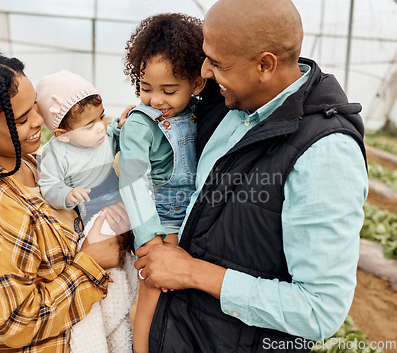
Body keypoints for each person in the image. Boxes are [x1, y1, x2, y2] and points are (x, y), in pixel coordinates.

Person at [134, 1, 369, 352]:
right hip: (182, 331)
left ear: (265, 64)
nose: (205, 72)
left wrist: (192, 272)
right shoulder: (231, 101)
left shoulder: (324, 153)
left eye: (216, 63)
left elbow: (320, 310)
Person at [0, 46, 130, 353]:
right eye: (20, 119)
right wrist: (90, 262)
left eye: (35, 106)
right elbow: (17, 323)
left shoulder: (30, 164)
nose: (38, 121)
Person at [119, 13, 207, 353]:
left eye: (169, 90)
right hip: (160, 221)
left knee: (181, 298)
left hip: (190, 219)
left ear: (196, 84)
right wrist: (149, 239)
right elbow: (133, 181)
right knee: (151, 294)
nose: (156, 99)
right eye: (146, 88)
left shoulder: (199, 111)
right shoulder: (141, 124)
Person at [36, 69, 137, 353]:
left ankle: (119, 318)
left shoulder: (103, 136)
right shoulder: (55, 154)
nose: (100, 127)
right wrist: (66, 194)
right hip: (89, 215)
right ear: (62, 135)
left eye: (101, 116)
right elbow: (48, 185)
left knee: (128, 256)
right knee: (108, 277)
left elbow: (116, 137)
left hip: (115, 204)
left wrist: (122, 124)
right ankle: (102, 327)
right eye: (90, 124)